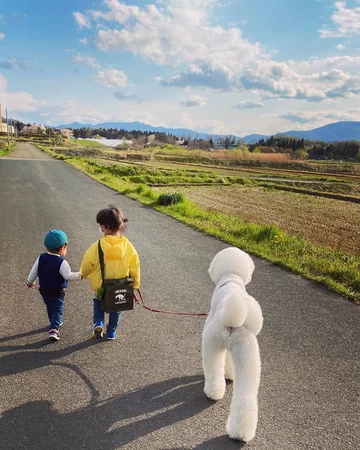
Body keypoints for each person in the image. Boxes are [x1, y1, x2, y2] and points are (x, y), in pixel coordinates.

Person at [80, 205, 140, 340]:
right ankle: (111, 332)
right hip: (120, 285)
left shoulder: (98, 245)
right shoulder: (128, 246)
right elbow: (135, 266)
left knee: (98, 303)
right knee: (116, 309)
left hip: (102, 285)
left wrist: (84, 273)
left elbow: (87, 262)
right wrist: (135, 284)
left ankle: (98, 323)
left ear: (104, 227)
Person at [27, 230, 82, 341]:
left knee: (50, 306)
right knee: (57, 309)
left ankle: (54, 321)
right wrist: (82, 274)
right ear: (63, 247)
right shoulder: (61, 262)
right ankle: (54, 329)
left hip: (44, 290)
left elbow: (34, 272)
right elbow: (68, 276)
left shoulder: (41, 257)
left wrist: (30, 282)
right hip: (57, 291)